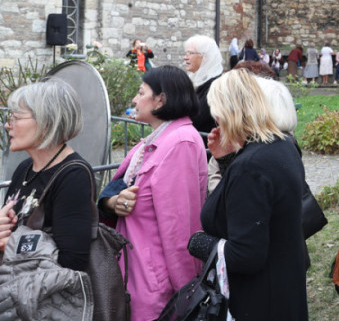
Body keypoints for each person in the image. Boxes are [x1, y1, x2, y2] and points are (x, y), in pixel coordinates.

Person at [187, 69, 308, 320]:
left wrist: (200, 243)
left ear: (226, 113)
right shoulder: (281, 145)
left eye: (216, 113)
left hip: (258, 300)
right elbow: (255, 206)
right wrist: (227, 160)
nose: (215, 121)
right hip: (283, 286)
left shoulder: (251, 166)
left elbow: (245, 255)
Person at [99, 66, 207, 321]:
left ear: (161, 99)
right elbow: (122, 190)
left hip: (157, 288)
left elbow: (180, 228)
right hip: (137, 276)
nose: (134, 100)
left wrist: (186, 296)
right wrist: (112, 202)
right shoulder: (154, 141)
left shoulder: (180, 143)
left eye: (141, 93)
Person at [0, 79, 93, 270]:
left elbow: (72, 263)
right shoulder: (25, 167)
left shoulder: (73, 176)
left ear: (46, 122)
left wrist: (10, 245)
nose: (8, 125)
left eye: (16, 117)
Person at [183, 34, 224, 135]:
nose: (185, 58)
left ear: (205, 57)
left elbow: (196, 119)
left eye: (190, 53)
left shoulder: (216, 86)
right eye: (186, 53)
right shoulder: (200, 81)